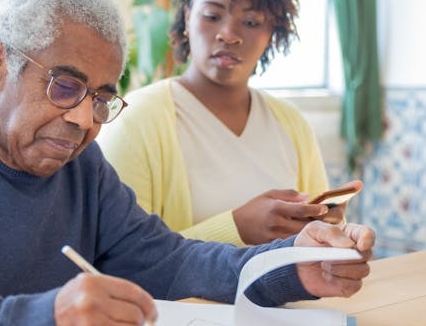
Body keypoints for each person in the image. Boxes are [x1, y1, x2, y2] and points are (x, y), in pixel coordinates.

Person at [0, 0, 375, 326]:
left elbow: (170, 259)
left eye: (102, 97)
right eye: (64, 85)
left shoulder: (80, 164)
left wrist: (293, 266)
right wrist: (40, 323)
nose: (83, 119)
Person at [98, 0, 352, 246]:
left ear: (271, 32)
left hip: (285, 290)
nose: (230, 35)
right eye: (212, 15)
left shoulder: (291, 122)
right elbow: (123, 256)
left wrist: (330, 232)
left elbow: (315, 234)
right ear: (188, 17)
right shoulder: (135, 120)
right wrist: (237, 229)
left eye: (252, 22)